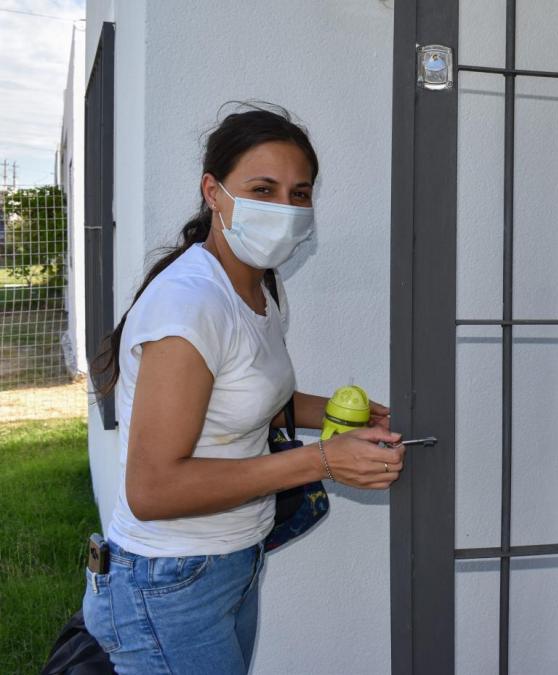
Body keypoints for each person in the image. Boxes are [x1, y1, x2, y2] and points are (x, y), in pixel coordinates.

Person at [82, 105, 405, 674]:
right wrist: (323, 460)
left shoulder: (258, 288)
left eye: (299, 193)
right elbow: (153, 489)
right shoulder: (191, 304)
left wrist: (333, 412)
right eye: (262, 188)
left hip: (230, 560)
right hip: (169, 583)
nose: (284, 209)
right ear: (213, 191)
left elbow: (249, 395)